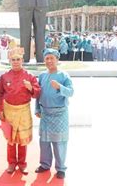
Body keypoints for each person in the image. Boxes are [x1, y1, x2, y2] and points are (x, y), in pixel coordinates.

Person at [0, 47, 40, 174]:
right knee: (10, 139)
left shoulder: (29, 76)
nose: (15, 62)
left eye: (18, 59)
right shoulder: (5, 77)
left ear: (22, 60)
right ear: (10, 61)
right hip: (8, 110)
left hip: (23, 111)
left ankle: (22, 163)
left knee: (22, 139)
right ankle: (11, 163)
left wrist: (31, 87)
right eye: (13, 59)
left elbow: (37, 93)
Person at [35, 48, 74, 179]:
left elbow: (71, 92)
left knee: (59, 142)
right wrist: (37, 109)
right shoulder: (41, 76)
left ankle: (61, 168)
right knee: (44, 141)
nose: (49, 60)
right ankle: (45, 164)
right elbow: (37, 94)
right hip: (45, 113)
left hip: (59, 114)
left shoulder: (64, 76)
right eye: (47, 58)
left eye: (52, 58)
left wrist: (60, 87)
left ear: (57, 59)